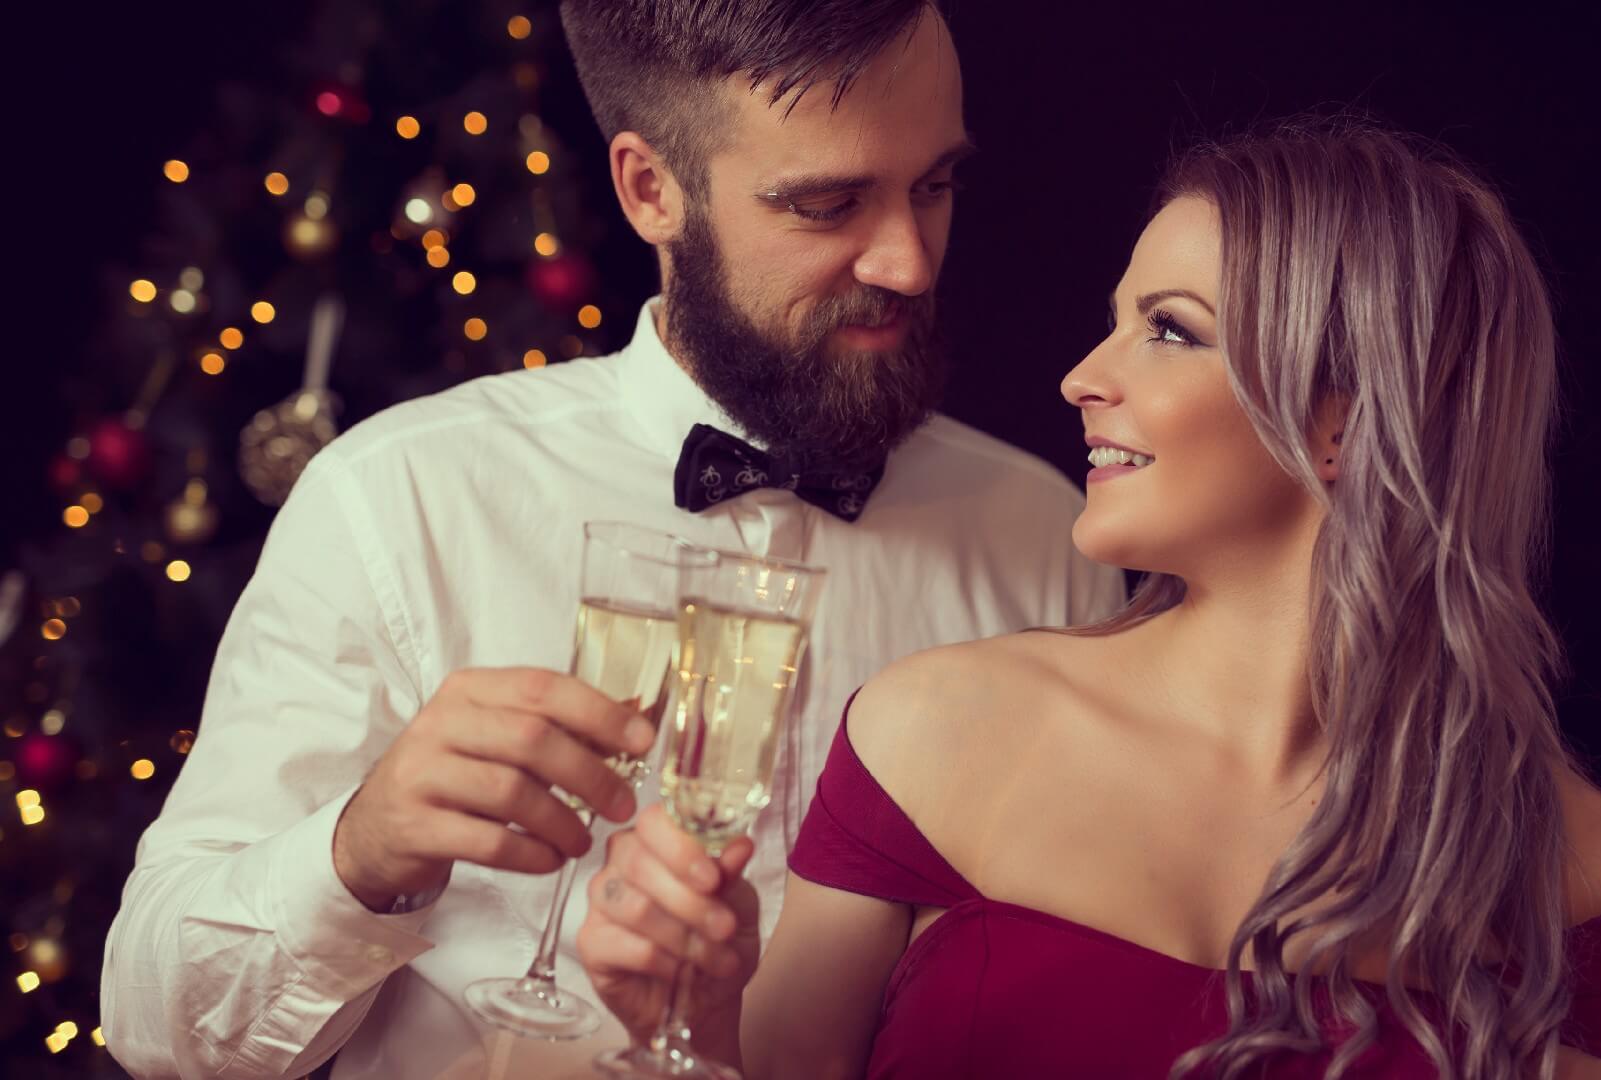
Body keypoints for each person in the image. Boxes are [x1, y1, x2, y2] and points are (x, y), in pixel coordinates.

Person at [99, 3, 1123, 1077]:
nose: (910, 263)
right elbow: (158, 1026)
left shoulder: (1043, 533)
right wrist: (358, 854)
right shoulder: (399, 497)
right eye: (827, 204)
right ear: (650, 189)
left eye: (935, 185)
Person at [578, 119, 1601, 1080]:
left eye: (1169, 329)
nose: (1082, 376)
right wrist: (691, 1011)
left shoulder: (1583, 874)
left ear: (1345, 419)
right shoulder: (935, 729)